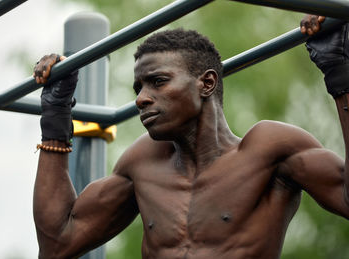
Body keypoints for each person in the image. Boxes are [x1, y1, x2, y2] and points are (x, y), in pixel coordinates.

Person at [32, 14, 349, 259]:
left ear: (206, 83)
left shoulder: (269, 148)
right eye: (138, 88)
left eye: (157, 81)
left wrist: (340, 75)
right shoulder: (143, 163)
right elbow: (58, 244)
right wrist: (55, 115)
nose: (141, 98)